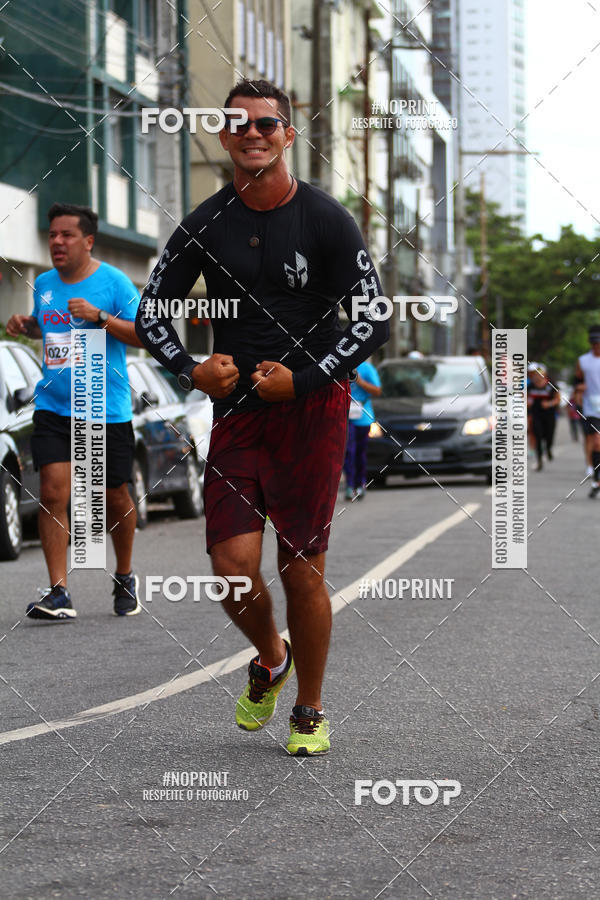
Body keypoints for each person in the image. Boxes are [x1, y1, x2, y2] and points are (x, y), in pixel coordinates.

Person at [135, 78, 389, 755]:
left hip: (312, 410)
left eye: (267, 124)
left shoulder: (326, 218)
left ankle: (309, 709)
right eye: (239, 124)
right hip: (238, 415)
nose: (253, 133)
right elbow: (152, 313)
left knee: (302, 567)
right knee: (231, 566)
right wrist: (190, 369)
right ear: (223, 136)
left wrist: (302, 380)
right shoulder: (204, 222)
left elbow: (374, 320)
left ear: (288, 135)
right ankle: (272, 658)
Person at [6, 202, 142, 620]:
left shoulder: (114, 282)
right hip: (53, 406)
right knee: (51, 492)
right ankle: (59, 591)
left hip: (103, 409)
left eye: (66, 235)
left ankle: (124, 576)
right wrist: (28, 325)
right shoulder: (44, 282)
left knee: (113, 496)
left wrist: (100, 316)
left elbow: (145, 335)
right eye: (52, 235)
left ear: (88, 241)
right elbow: (50, 328)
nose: (57, 242)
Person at [344, 358, 382, 500]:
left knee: (360, 452)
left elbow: (377, 391)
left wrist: (360, 381)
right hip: (344, 417)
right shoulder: (342, 366)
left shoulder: (366, 368)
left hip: (363, 417)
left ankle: (360, 484)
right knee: (348, 451)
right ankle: (350, 485)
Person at [574, 325, 600, 496]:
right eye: (594, 343)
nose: (596, 346)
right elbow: (577, 381)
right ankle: (595, 476)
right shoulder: (583, 361)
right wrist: (579, 390)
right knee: (595, 440)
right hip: (592, 407)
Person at [527, 363, 559, 471]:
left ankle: (548, 448)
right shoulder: (531, 386)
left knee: (549, 436)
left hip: (549, 416)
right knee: (538, 436)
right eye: (535, 375)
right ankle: (539, 459)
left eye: (539, 374)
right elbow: (526, 397)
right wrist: (527, 402)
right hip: (536, 415)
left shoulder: (551, 385)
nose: (537, 377)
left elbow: (557, 399)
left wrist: (549, 404)